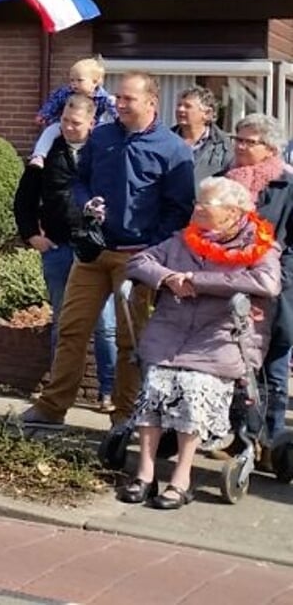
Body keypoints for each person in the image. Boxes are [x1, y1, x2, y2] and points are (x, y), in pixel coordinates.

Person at [20, 73, 197, 428]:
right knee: (71, 328)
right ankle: (53, 407)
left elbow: (180, 209)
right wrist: (88, 203)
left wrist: (152, 248)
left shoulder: (172, 149)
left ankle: (123, 415)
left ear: (151, 103)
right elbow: (79, 179)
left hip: (138, 259)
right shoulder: (101, 137)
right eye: (118, 97)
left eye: (128, 99)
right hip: (93, 253)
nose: (119, 103)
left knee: (131, 340)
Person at [117, 176, 281, 510]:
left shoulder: (261, 246)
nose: (196, 208)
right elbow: (139, 262)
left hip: (222, 337)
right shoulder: (183, 240)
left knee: (192, 387)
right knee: (155, 385)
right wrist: (168, 278)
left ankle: (181, 478)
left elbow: (267, 282)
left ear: (233, 213)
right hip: (172, 331)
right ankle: (146, 475)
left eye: (205, 204)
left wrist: (199, 281)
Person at [14, 92, 118, 410]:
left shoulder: (105, 154)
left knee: (106, 324)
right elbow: (24, 198)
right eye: (64, 122)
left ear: (92, 122)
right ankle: (59, 392)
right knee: (63, 320)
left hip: (97, 250)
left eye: (75, 123)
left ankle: (108, 390)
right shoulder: (46, 154)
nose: (69, 128)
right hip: (58, 247)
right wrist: (32, 235)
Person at [228, 114, 293, 437]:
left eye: (248, 141)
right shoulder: (223, 180)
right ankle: (240, 432)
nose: (239, 146)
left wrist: (278, 279)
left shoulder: (287, 186)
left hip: (276, 286)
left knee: (274, 362)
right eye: (237, 139)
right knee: (235, 358)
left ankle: (271, 436)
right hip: (232, 284)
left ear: (269, 148)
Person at [29, 57, 116, 165]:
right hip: (63, 123)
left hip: (95, 124)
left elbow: (113, 111)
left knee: (103, 134)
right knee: (50, 131)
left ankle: (105, 158)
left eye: (79, 80)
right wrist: (44, 114)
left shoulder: (103, 97)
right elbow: (53, 102)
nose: (74, 84)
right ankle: (39, 155)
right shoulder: (66, 92)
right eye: (72, 80)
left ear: (94, 82)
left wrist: (117, 117)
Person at [172, 85, 234, 183]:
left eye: (187, 106)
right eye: (179, 105)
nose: (180, 109)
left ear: (207, 113)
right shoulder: (165, 140)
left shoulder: (224, 145)